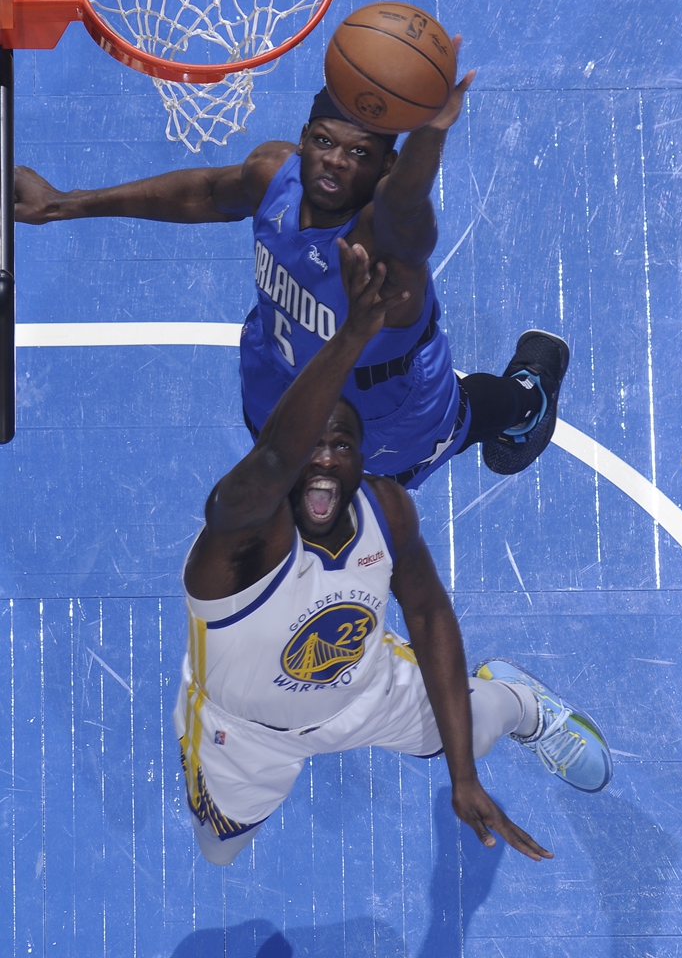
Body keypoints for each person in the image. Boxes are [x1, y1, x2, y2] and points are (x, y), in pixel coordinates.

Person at [175, 238, 612, 866]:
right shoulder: (236, 539)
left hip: (367, 690)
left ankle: (526, 706)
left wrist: (463, 778)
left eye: (342, 447)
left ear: (365, 461)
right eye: (310, 446)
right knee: (219, 851)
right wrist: (352, 334)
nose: (326, 459)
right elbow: (272, 456)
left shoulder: (386, 508)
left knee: (479, 726)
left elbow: (430, 614)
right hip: (245, 732)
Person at [14, 47, 569, 486]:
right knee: (279, 480)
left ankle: (527, 400)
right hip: (275, 378)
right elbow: (205, 193)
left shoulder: (385, 244)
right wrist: (64, 203)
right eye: (324, 141)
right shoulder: (272, 175)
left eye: (359, 153)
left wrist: (432, 130)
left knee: (461, 420)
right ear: (303, 140)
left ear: (387, 167)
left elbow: (405, 203)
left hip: (383, 412)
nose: (335, 160)